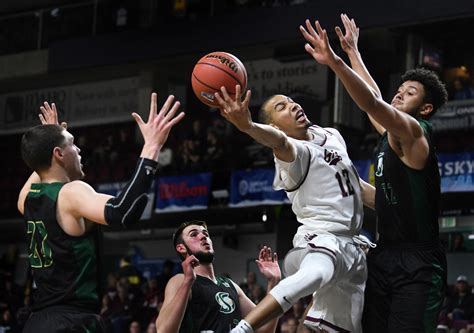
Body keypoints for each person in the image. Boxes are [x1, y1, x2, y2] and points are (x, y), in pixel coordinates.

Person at [214, 23, 375, 333]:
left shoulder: (331, 135)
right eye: (281, 108)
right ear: (277, 126)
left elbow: (356, 185)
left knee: (328, 328)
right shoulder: (292, 152)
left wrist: (404, 209)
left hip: (352, 246)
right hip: (319, 239)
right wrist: (247, 125)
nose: (292, 106)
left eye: (290, 101)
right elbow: (276, 141)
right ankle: (242, 329)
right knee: (315, 274)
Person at [299, 14, 448, 332]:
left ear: (425, 109)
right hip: (385, 254)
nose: (399, 94)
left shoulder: (414, 133)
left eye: (409, 93)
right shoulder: (389, 134)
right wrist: (354, 52)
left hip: (419, 264)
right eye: (400, 89)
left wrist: (337, 62)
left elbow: (371, 102)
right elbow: (379, 197)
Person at [17, 93, 184, 332]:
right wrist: (152, 147)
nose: (78, 149)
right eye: (72, 144)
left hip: (38, 323)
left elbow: (40, 164)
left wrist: (49, 136)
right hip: (73, 322)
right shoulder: (71, 193)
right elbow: (123, 212)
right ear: (58, 154)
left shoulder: (26, 199)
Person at [155, 220, 282, 332]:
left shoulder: (230, 285)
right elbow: (164, 330)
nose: (203, 237)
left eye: (205, 234)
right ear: (181, 248)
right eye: (194, 234)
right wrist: (188, 281)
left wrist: (273, 282)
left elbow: (264, 329)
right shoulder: (180, 280)